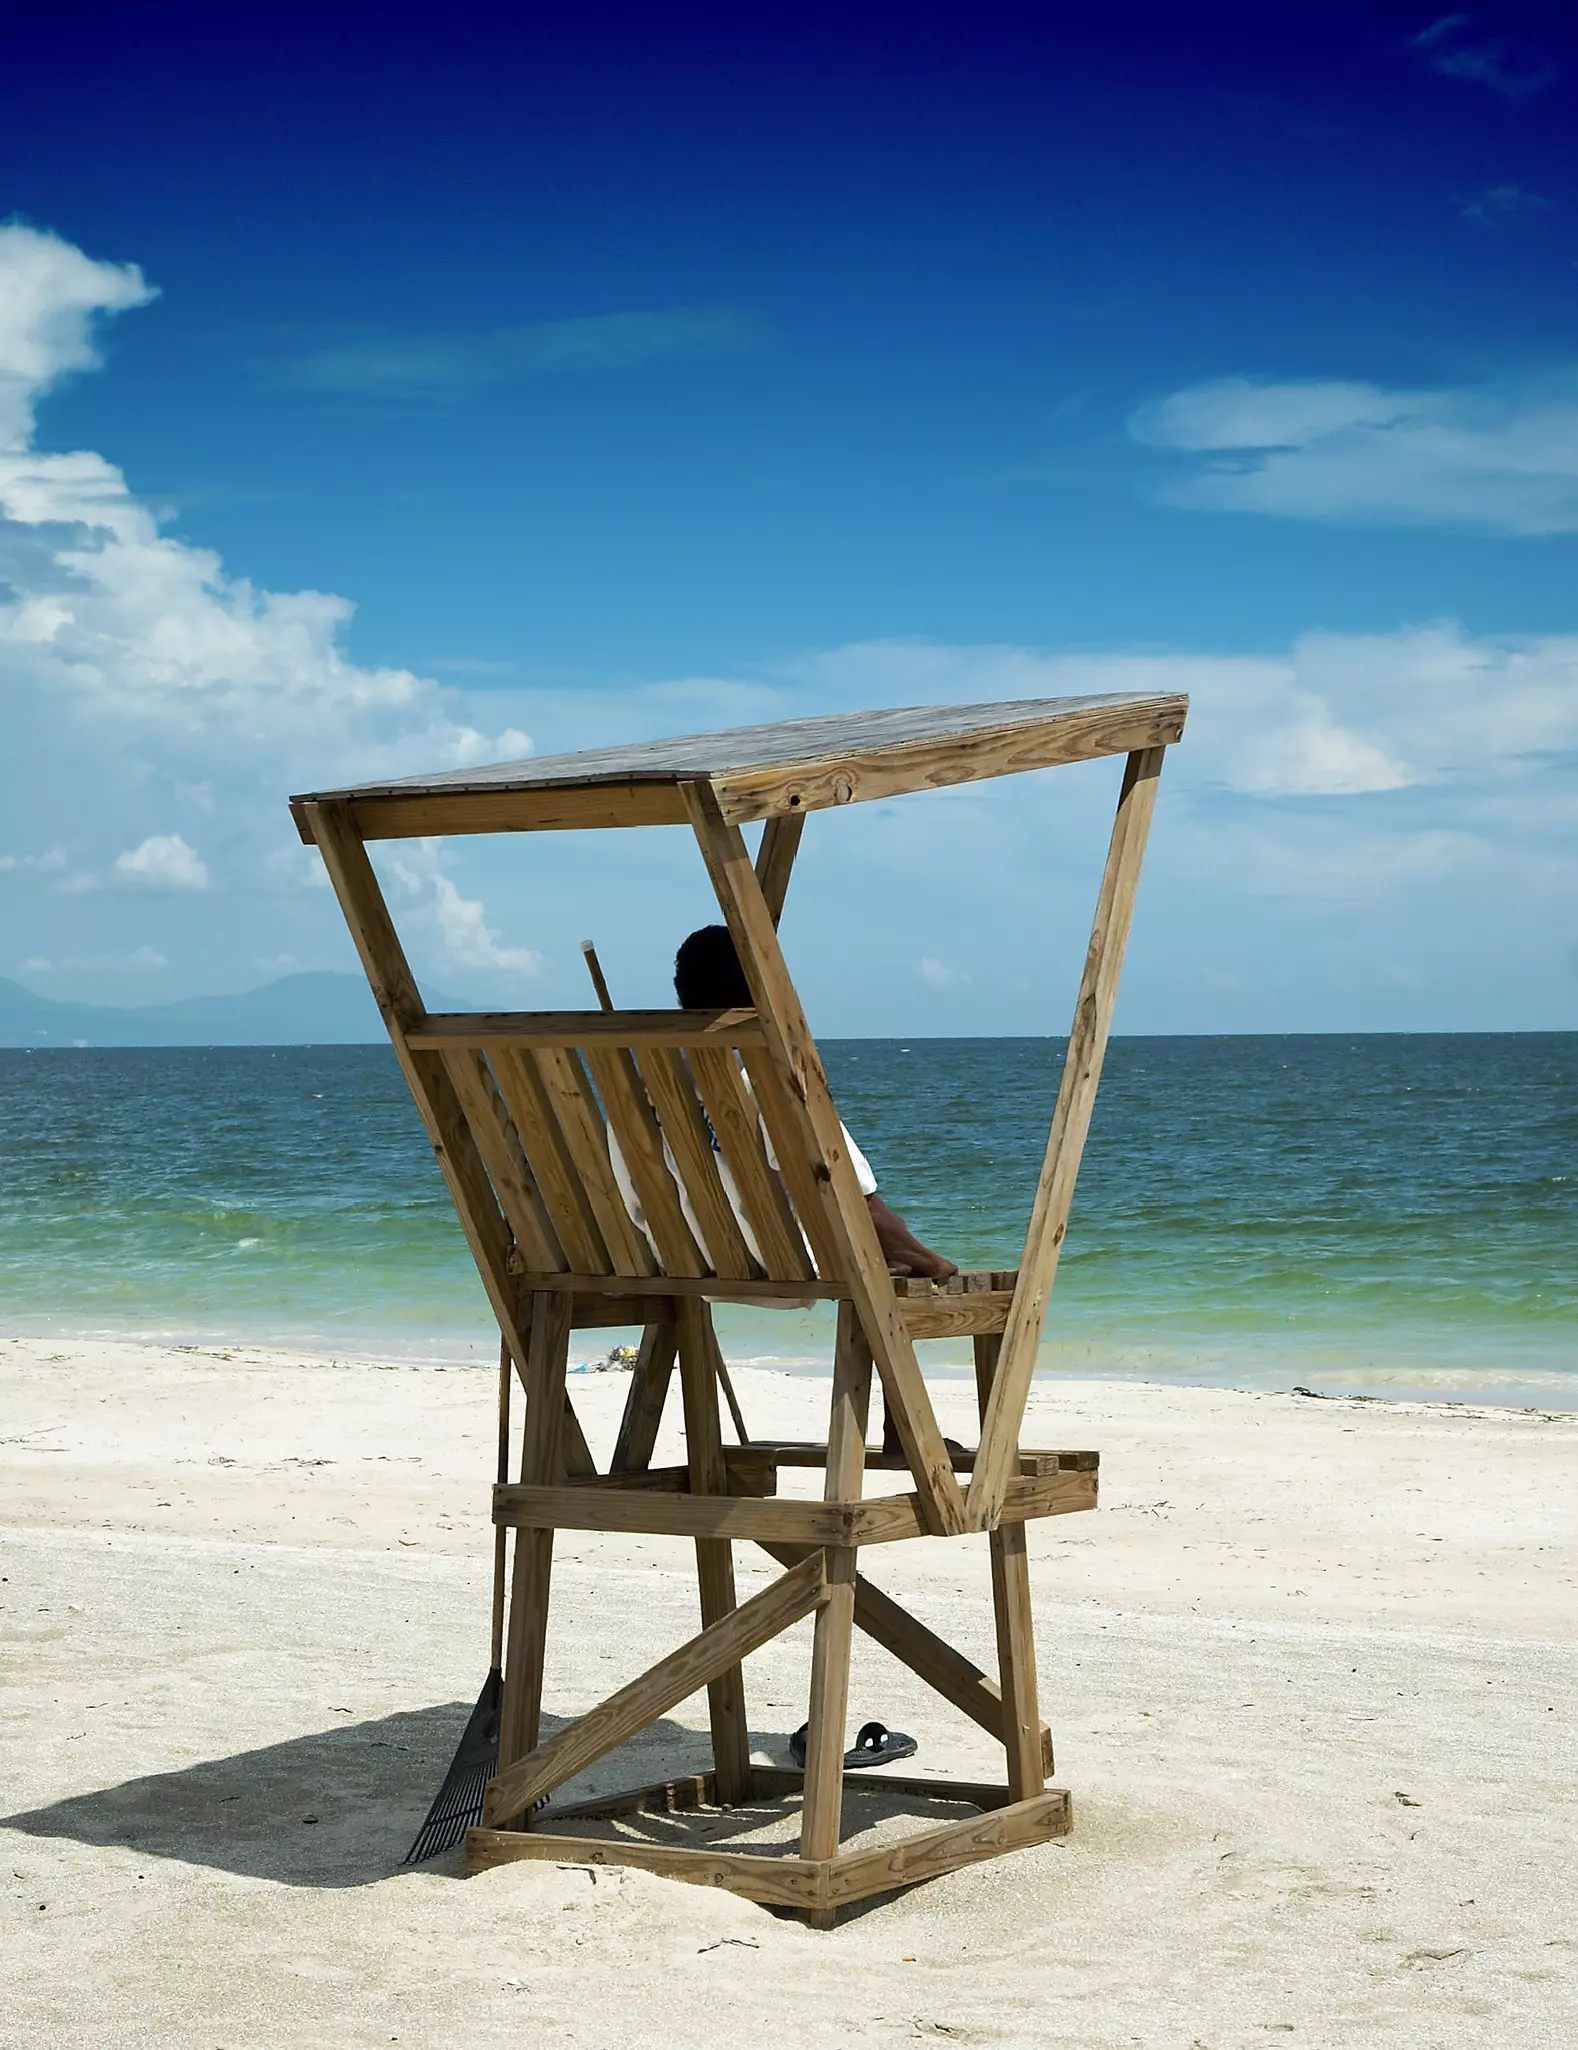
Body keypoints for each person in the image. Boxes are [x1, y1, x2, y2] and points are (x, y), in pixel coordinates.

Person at [672, 925, 957, 1283]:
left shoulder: (653, 1086)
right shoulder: (764, 1083)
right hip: (784, 1263)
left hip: (686, 1262)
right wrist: (930, 1262)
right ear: (756, 991)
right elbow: (853, 1193)